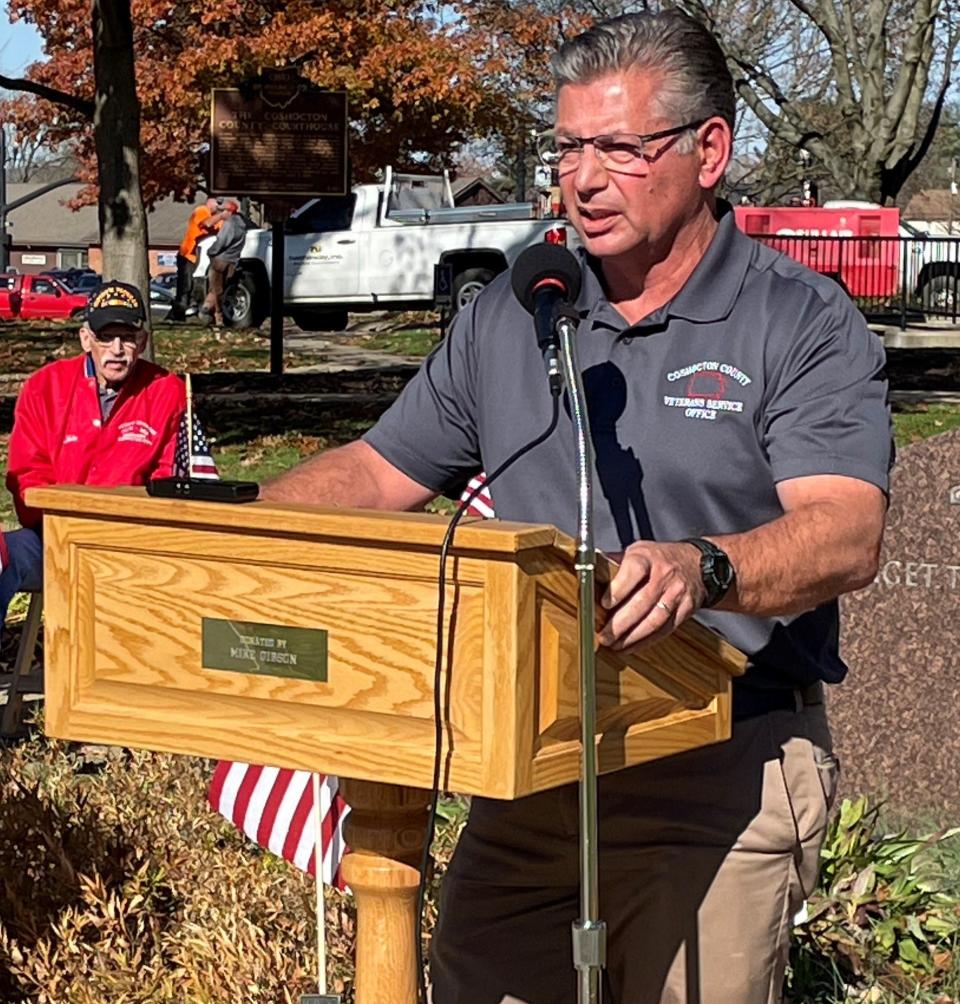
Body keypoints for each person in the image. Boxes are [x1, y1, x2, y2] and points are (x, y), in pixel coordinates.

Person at [257, 11, 891, 1003]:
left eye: (618, 148)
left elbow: (846, 531)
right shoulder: (521, 308)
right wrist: (233, 525)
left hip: (720, 758)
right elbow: (376, 473)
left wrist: (703, 566)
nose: (581, 178)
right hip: (539, 762)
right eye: (567, 148)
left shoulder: (797, 319)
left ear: (708, 150)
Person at [1, 280, 186, 644]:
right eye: (106, 337)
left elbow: (173, 476)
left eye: (127, 337)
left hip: (134, 544)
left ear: (143, 342)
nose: (117, 349)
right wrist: (69, 522)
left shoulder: (168, 390)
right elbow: (25, 477)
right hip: (52, 538)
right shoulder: (45, 386)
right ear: (86, 339)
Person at [171, 196, 227, 321]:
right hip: (188, 255)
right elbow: (205, 224)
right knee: (185, 286)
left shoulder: (215, 216)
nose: (218, 206)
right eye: (217, 203)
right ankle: (176, 315)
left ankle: (185, 313)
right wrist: (222, 216)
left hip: (200, 256)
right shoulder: (202, 210)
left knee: (193, 286)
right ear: (209, 201)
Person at [201, 199, 248, 328]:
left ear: (229, 211)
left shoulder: (230, 223)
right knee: (218, 289)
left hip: (220, 261)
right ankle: (205, 312)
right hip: (232, 262)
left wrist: (211, 251)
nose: (221, 214)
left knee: (216, 290)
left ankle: (217, 317)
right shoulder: (242, 225)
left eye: (223, 211)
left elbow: (222, 241)